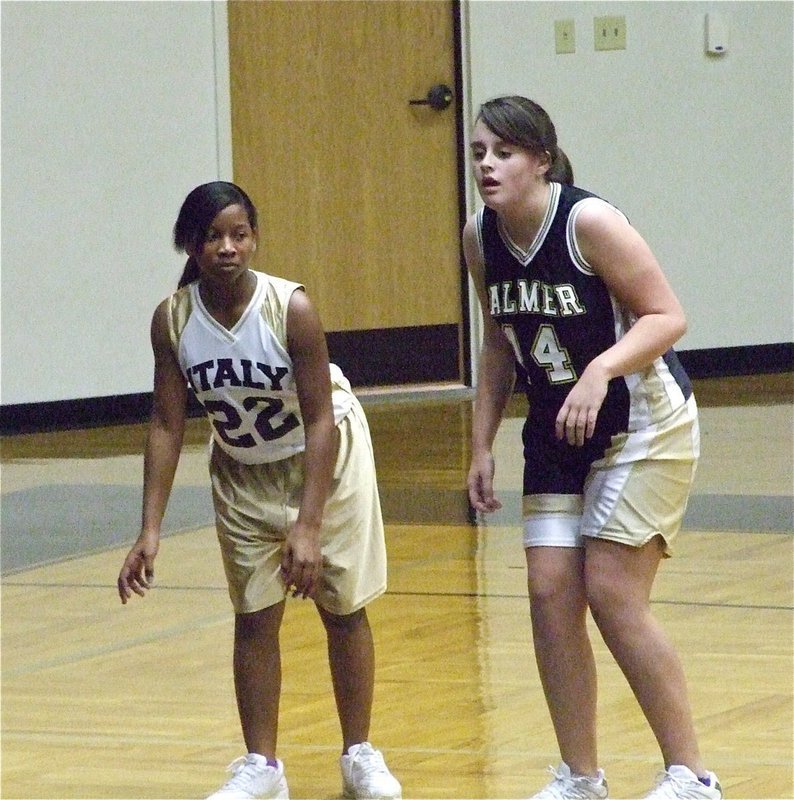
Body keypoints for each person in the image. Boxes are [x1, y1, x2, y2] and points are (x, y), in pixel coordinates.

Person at [463, 96, 722, 800]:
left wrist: (602, 368)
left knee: (610, 592)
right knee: (549, 595)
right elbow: (497, 341)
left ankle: (691, 776)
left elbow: (668, 315)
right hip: (556, 427)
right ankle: (581, 777)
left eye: (504, 152)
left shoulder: (588, 222)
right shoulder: (479, 236)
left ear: (541, 160)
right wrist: (480, 443)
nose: (487, 164)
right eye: (479, 152)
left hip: (643, 423)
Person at [117, 181, 402, 800]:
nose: (227, 247)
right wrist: (150, 529)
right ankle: (262, 768)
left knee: (342, 606)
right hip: (243, 468)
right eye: (212, 236)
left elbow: (321, 418)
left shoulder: (290, 308)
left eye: (239, 234)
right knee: (253, 615)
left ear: (254, 238)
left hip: (326, 456)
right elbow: (167, 423)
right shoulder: (173, 319)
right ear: (189, 245)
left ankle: (359, 754)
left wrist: (308, 524)